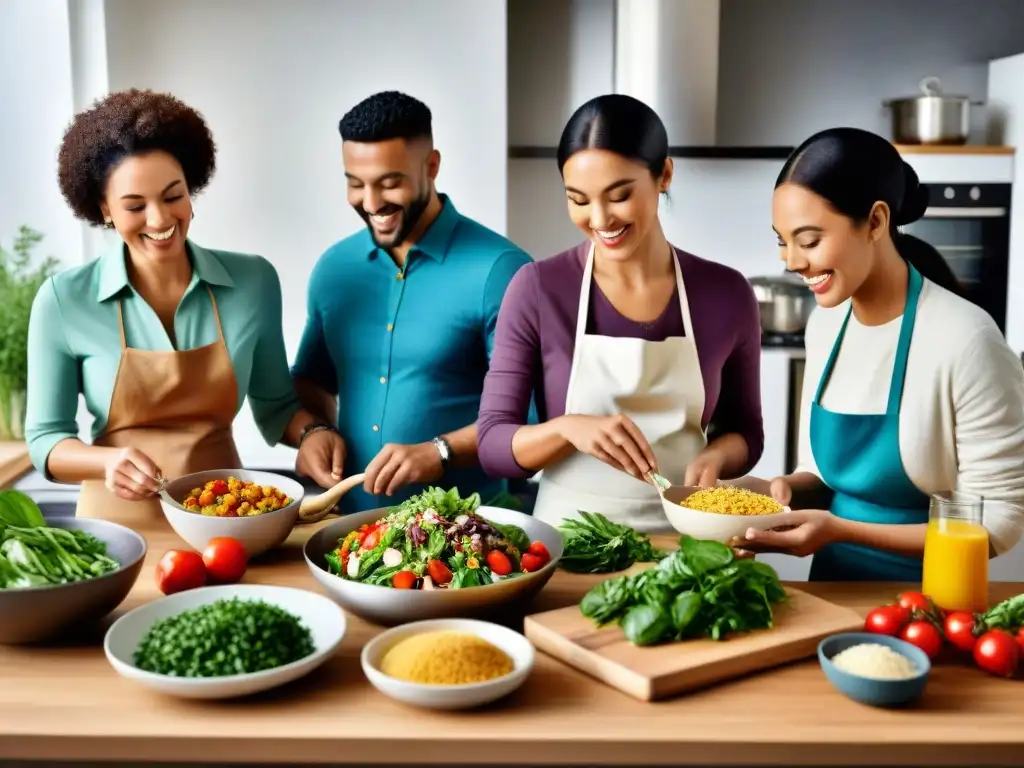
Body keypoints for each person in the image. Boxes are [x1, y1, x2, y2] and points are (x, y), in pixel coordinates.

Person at [24, 88, 344, 524]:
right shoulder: (64, 300)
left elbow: (276, 406)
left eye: (173, 196)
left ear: (191, 188)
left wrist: (312, 433)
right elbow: (47, 439)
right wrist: (106, 463)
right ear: (104, 210)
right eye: (135, 206)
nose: (159, 220)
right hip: (117, 527)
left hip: (225, 516)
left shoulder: (252, 282)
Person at [732, 126, 1024, 580]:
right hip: (830, 591)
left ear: (875, 221)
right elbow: (824, 474)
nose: (790, 261)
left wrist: (841, 531)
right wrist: (781, 491)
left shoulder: (966, 339)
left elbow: (999, 520)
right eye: (782, 241)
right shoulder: (825, 325)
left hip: (930, 599)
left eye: (808, 241)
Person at [476, 94, 764, 532]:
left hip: (688, 540)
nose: (599, 218)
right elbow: (493, 443)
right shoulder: (537, 288)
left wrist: (717, 455)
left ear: (664, 174)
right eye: (578, 199)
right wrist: (568, 430)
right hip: (568, 543)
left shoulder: (725, 293)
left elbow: (747, 432)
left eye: (619, 195)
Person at [291, 90, 533, 514]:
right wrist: (314, 431)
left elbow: (528, 422)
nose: (370, 203)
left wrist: (440, 452)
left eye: (390, 183)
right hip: (350, 532)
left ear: (432, 166)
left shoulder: (502, 271)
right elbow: (312, 383)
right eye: (355, 183)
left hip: (472, 533)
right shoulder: (334, 269)